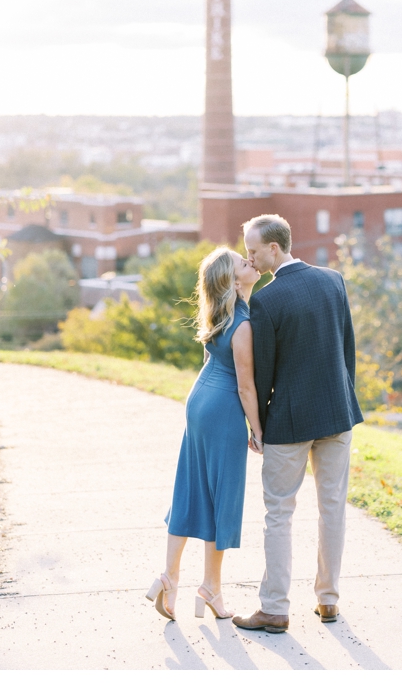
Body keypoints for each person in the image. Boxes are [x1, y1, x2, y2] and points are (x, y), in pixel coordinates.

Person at [230, 214, 364, 634]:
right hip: (337, 413)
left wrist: (260, 428)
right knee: (332, 508)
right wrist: (344, 399)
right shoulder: (334, 280)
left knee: (278, 514)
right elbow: (348, 349)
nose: (250, 259)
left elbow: (263, 374)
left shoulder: (266, 301)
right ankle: (328, 600)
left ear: (274, 248)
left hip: (289, 421)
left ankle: (274, 608)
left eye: (253, 251)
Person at [146, 247, 263, 620]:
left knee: (191, 489)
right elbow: (246, 388)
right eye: (242, 263)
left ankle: (169, 578)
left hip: (199, 401)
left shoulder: (220, 312)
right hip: (223, 408)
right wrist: (256, 431)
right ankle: (210, 588)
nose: (250, 262)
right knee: (222, 496)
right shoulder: (242, 323)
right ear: (232, 280)